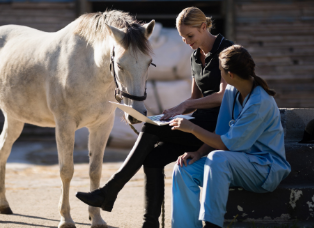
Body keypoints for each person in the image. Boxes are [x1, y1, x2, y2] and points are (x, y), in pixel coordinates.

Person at [76, 7, 233, 228]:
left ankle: (109, 191)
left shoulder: (227, 51)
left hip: (217, 129)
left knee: (149, 130)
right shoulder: (195, 57)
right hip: (198, 123)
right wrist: (171, 113)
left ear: (204, 27)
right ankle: (149, 223)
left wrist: (185, 105)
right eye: (182, 37)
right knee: (153, 157)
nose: (187, 41)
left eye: (190, 36)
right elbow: (194, 99)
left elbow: (223, 96)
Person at [169, 45, 291, 228]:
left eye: (220, 71)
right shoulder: (232, 92)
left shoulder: (259, 102)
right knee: (183, 169)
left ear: (230, 74)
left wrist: (192, 128)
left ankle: (212, 224)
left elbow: (226, 145)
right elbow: (220, 133)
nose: (220, 75)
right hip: (234, 164)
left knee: (218, 158)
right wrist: (199, 153)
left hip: (265, 170)